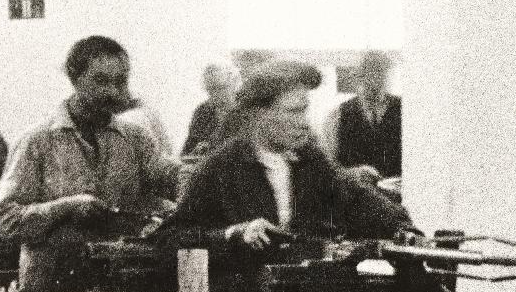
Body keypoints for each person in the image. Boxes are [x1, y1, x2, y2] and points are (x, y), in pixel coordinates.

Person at [0, 35, 183, 292]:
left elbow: (171, 180)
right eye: (101, 81)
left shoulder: (136, 139)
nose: (112, 92)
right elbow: (6, 221)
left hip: (119, 288)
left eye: (120, 81)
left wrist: (196, 175)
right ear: (75, 78)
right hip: (52, 291)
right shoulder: (37, 141)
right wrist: (66, 207)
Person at [174, 60, 412, 245]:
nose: (304, 123)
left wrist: (405, 230)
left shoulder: (310, 161)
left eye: (304, 111)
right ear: (260, 115)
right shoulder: (222, 167)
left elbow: (359, 200)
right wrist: (233, 234)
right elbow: (170, 238)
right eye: (293, 112)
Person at [330, 49, 404, 182]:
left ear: (387, 76)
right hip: (355, 189)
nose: (375, 80)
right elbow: (331, 167)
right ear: (360, 76)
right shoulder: (339, 113)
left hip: (397, 190)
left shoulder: (403, 109)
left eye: (380, 74)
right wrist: (351, 174)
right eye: (370, 73)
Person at [182, 61, 242, 158]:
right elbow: (186, 153)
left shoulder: (246, 110)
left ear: (234, 84)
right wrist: (195, 151)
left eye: (221, 88)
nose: (216, 95)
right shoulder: (202, 112)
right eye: (211, 90)